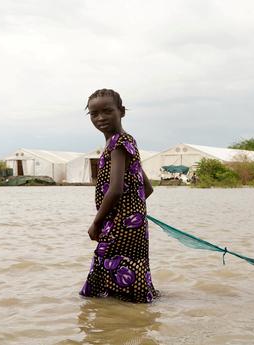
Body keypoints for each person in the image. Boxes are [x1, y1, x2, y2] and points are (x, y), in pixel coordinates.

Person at [79, 89, 157, 303]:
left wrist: (97, 223)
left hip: (119, 225)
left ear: (121, 112)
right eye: (94, 114)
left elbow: (115, 189)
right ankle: (129, 315)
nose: (100, 118)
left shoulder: (117, 144)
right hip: (131, 223)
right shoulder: (127, 141)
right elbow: (147, 188)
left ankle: (112, 323)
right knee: (128, 269)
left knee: (102, 276)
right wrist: (134, 212)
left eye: (107, 111)